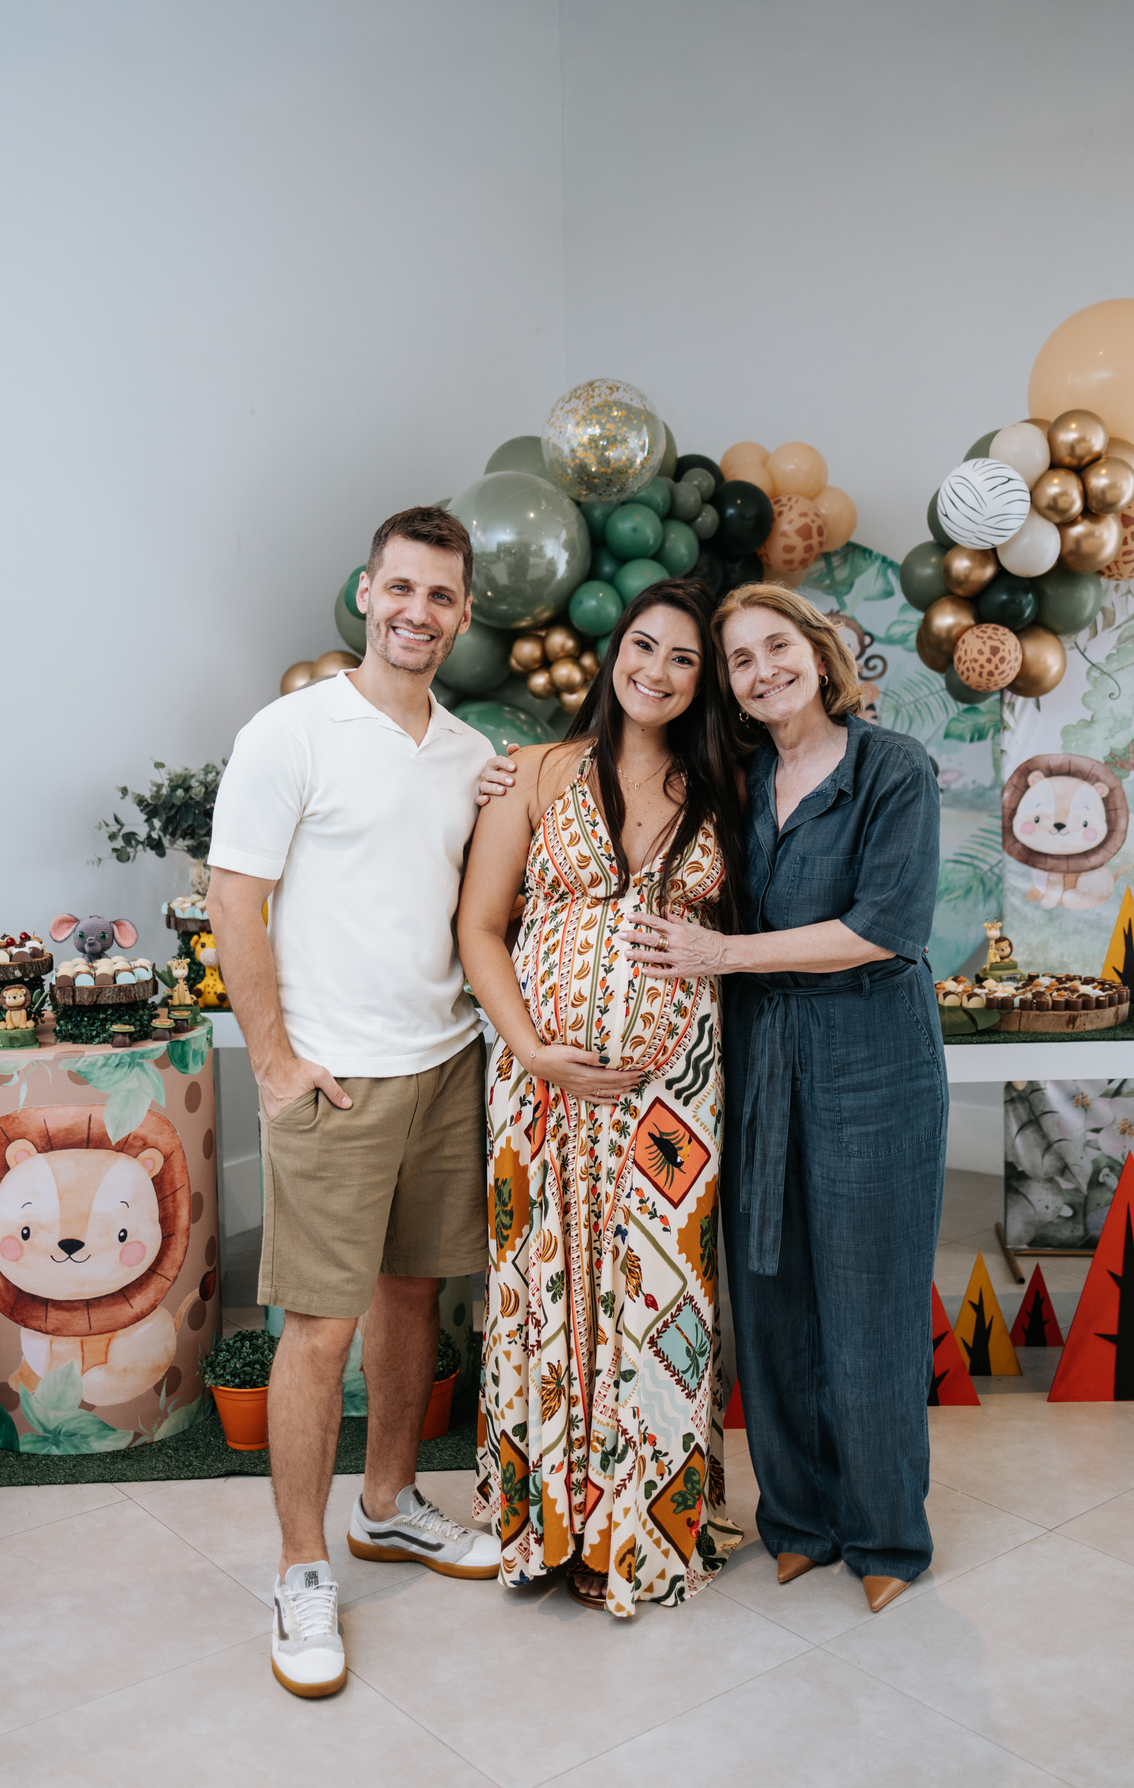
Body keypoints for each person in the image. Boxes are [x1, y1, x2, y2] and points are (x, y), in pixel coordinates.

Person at [207, 506, 511, 1699]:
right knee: (317, 1329)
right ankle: (298, 1567)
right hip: (335, 1078)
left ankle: (388, 1506)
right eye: (400, 589)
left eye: (441, 596)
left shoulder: (467, 749)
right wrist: (276, 1064)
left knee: (411, 1300)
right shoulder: (292, 733)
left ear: (464, 612)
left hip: (445, 1063)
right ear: (366, 592)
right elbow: (238, 904)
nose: (417, 613)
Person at [624, 582, 946, 1616]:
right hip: (762, 1052)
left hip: (872, 1050)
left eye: (778, 647)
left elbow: (884, 925)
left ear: (819, 649)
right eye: (740, 661)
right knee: (767, 1293)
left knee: (870, 1301)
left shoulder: (893, 770)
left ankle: (887, 1532)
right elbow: (625, 782)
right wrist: (516, 772)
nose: (763, 671)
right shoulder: (736, 776)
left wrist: (723, 953)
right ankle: (799, 1520)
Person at [458, 578, 746, 1616]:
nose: (656, 671)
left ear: (703, 682)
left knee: (659, 1292)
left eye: (683, 659)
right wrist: (533, 1049)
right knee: (543, 1280)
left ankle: (640, 1528)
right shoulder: (534, 773)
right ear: (614, 651)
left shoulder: (723, 784)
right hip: (538, 1086)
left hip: (672, 1098)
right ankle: (544, 1523)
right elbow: (482, 928)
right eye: (644, 645)